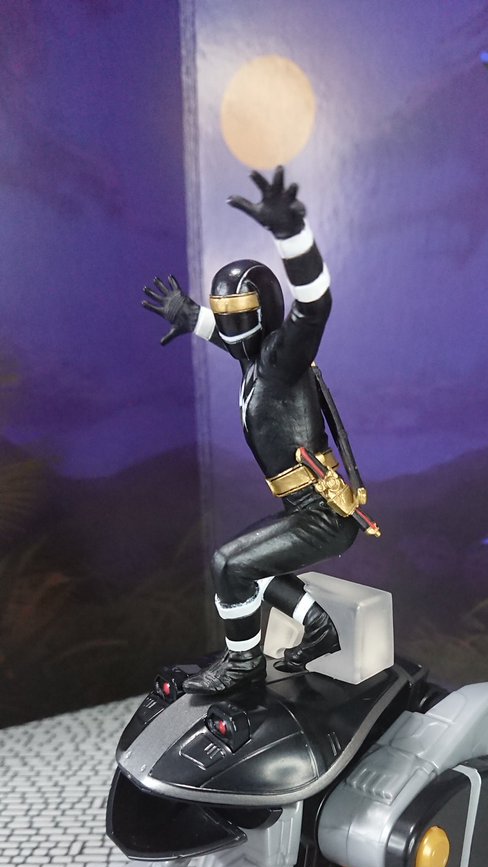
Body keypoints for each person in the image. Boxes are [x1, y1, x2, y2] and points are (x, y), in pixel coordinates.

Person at [142, 167, 361, 695]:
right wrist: (193, 316)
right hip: (304, 506)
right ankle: (320, 628)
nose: (229, 324)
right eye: (223, 313)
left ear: (265, 312)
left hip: (323, 512)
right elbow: (230, 339)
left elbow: (316, 305)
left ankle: (243, 664)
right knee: (252, 565)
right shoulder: (256, 360)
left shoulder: (282, 360)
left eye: (238, 312)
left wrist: (293, 234)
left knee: (229, 565)